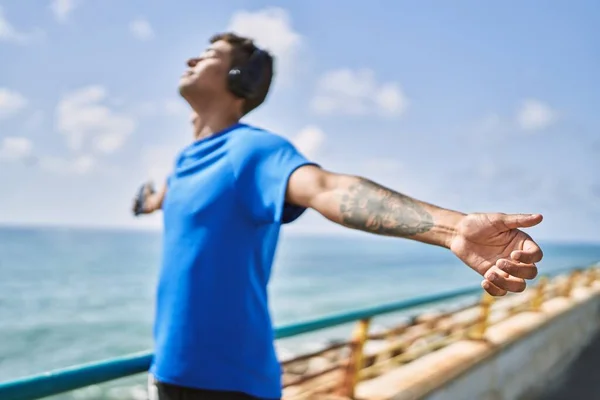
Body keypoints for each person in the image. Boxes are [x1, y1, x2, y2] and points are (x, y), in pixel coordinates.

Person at [134, 32, 544, 400]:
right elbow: (164, 198)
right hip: (168, 373)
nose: (191, 60)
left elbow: (327, 189)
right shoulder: (183, 164)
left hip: (228, 385)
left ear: (239, 77)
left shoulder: (252, 152)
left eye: (208, 55)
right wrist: (147, 201)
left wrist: (453, 229)